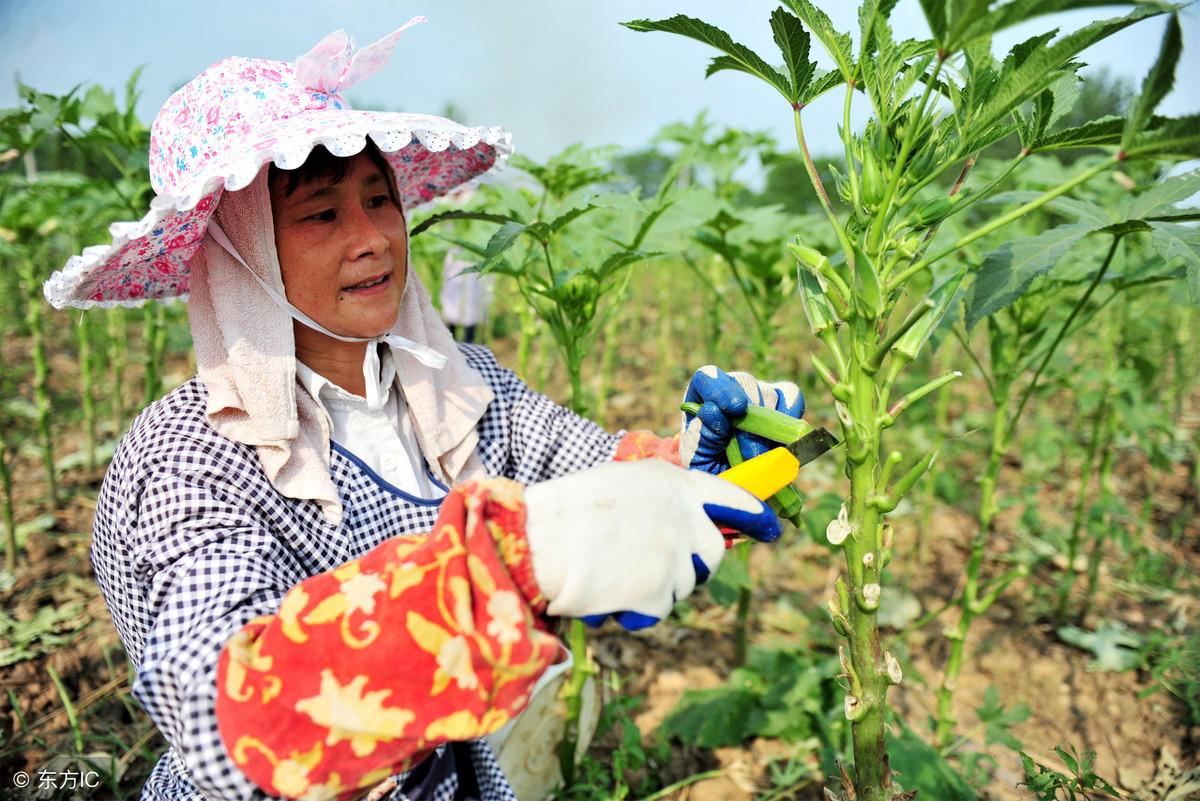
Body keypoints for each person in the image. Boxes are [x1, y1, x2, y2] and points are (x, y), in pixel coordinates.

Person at [43, 21, 806, 801]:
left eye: (381, 200)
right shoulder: (189, 453)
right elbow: (223, 716)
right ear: (240, 253)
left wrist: (685, 468)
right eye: (321, 215)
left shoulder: (459, 388)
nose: (374, 237)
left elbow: (590, 473)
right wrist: (504, 567)